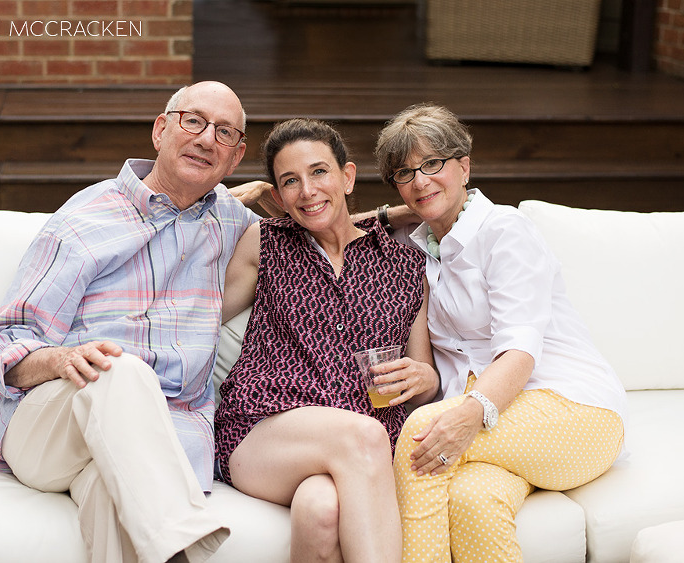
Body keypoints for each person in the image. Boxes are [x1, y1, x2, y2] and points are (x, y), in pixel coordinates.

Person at [0, 81, 272, 563]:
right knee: (123, 367)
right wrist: (62, 357)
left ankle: (162, 539)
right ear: (160, 130)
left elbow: (332, 225)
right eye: (192, 121)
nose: (205, 138)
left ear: (234, 159)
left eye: (223, 132)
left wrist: (408, 213)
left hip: (159, 440)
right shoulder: (86, 217)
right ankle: (181, 540)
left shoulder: (231, 223)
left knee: (112, 495)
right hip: (55, 424)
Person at [373, 103, 628, 562]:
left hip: (574, 410)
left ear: (464, 165)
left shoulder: (504, 231)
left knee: (420, 437)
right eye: (405, 173)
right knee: (473, 500)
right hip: (505, 422)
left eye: (433, 164)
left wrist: (465, 416)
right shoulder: (419, 247)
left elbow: (520, 352)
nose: (420, 180)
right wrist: (398, 213)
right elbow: (340, 228)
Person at [214, 118, 440, 563]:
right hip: (263, 431)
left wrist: (423, 377)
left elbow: (426, 378)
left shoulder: (404, 264)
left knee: (321, 509)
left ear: (347, 177)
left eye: (319, 172)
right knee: (365, 436)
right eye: (290, 181)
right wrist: (217, 205)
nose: (307, 190)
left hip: (363, 442)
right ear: (278, 197)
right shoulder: (265, 243)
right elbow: (198, 317)